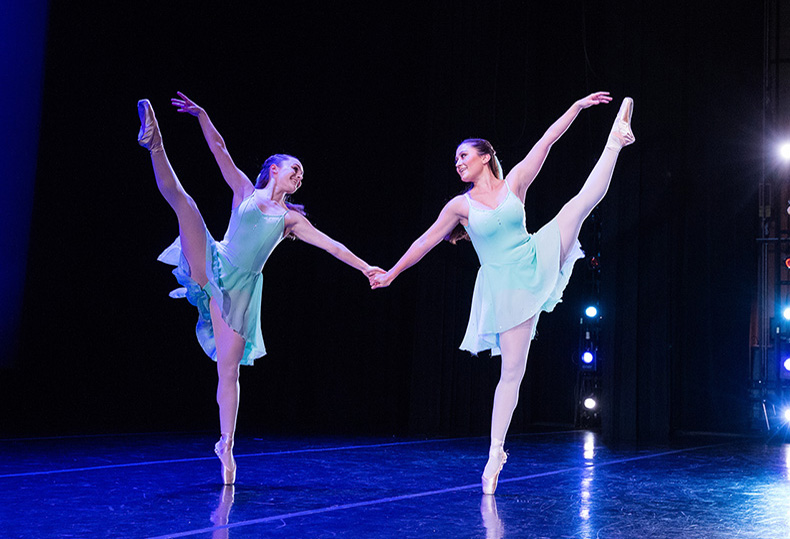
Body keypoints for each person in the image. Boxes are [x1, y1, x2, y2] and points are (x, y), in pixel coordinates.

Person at [370, 92, 634, 494]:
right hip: (503, 285)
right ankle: (496, 453)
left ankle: (615, 138)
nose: (458, 162)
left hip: (533, 255)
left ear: (484, 157)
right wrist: (391, 273)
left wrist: (577, 108)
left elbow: (547, 140)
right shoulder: (459, 206)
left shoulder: (514, 183)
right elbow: (424, 242)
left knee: (577, 206)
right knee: (511, 373)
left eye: (464, 156)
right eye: (455, 159)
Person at [137, 92, 381, 485]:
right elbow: (219, 148)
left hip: (240, 294)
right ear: (273, 169)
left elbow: (331, 245)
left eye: (302, 173)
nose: (299, 175)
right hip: (216, 264)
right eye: (294, 168)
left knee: (228, 371)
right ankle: (155, 144)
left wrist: (365, 266)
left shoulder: (290, 220)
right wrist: (202, 115)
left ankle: (226, 445)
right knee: (187, 205)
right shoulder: (244, 192)